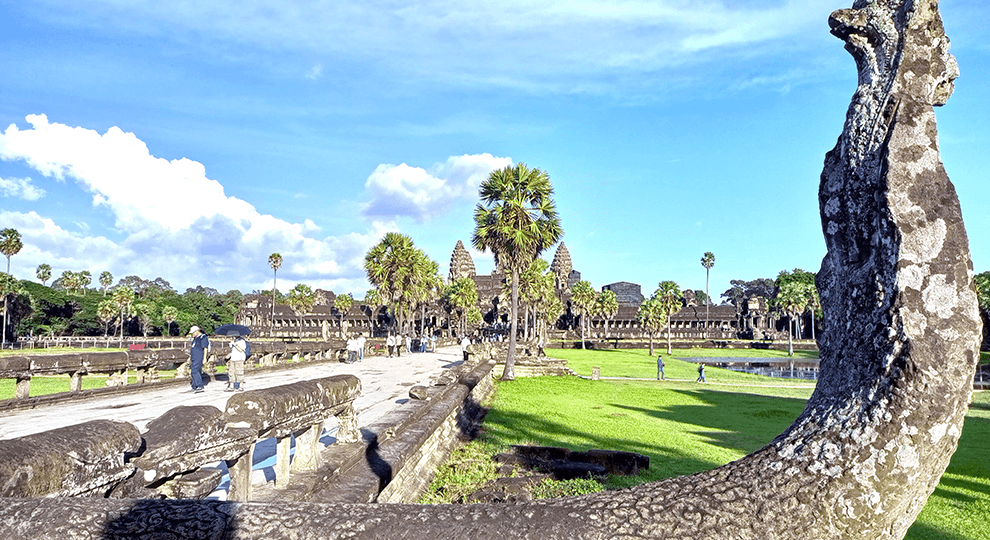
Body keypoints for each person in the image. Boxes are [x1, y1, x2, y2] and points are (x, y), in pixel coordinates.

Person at [188, 325, 210, 393]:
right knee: (193, 371)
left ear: (197, 331)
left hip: (199, 357)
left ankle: (199, 385)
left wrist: (204, 358)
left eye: (193, 333)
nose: (193, 334)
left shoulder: (203, 337)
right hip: (194, 357)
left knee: (196, 370)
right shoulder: (195, 338)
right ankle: (194, 385)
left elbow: (205, 348)